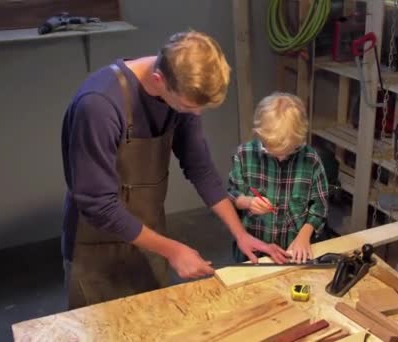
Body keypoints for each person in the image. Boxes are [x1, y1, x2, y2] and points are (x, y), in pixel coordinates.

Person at [60, 30, 290, 309]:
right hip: (95, 246)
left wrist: (240, 233)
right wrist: (173, 250)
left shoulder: (180, 98)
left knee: (155, 322)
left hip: (149, 235)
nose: (195, 115)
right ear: (160, 80)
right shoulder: (99, 104)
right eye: (188, 107)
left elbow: (200, 168)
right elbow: (99, 205)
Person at [228, 92, 330, 264]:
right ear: (261, 135)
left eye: (289, 150)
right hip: (253, 252)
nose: (281, 158)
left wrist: (304, 236)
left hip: (294, 250)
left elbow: (320, 206)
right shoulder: (244, 155)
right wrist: (247, 202)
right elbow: (231, 195)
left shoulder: (310, 160)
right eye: (272, 150)